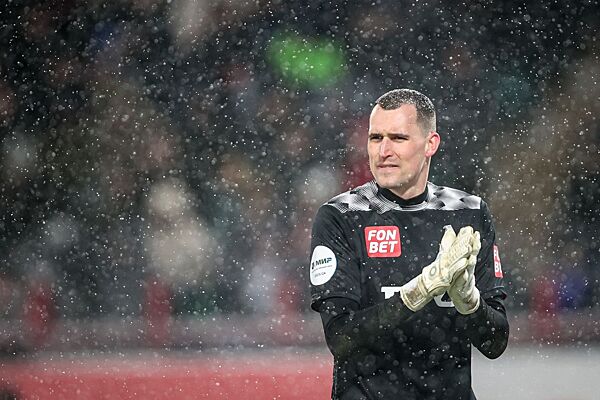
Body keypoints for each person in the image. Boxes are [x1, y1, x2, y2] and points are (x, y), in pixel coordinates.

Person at [308, 89, 509, 400]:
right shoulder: (341, 216)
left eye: (398, 138)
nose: (383, 150)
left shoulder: (469, 212)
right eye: (376, 138)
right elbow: (341, 338)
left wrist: (469, 302)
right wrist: (418, 292)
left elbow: (495, 344)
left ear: (431, 144)